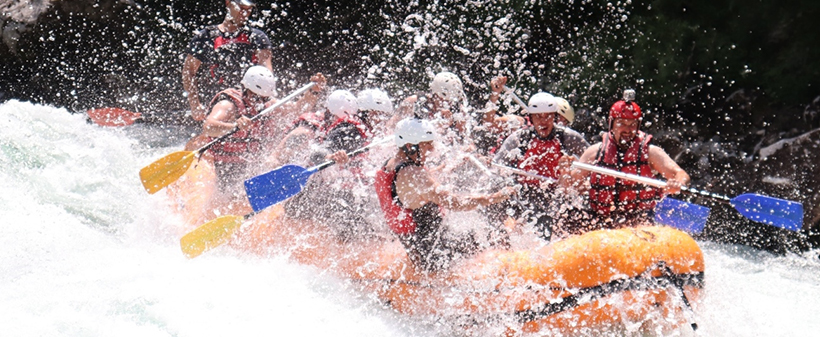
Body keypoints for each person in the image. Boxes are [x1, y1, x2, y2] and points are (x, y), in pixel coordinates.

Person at [374, 118, 516, 272]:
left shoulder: (393, 164)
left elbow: (422, 184)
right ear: (410, 146)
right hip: (436, 257)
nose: (432, 148)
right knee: (489, 238)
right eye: (426, 144)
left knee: (476, 235)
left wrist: (453, 164)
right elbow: (456, 203)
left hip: (419, 249)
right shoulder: (413, 175)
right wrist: (497, 197)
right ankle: (511, 269)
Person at [566, 90, 690, 233]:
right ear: (611, 124)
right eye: (622, 123)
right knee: (568, 219)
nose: (627, 129)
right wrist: (564, 170)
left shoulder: (651, 153)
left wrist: (677, 183)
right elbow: (571, 184)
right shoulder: (595, 152)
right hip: (601, 219)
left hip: (639, 221)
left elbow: (680, 173)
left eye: (632, 124)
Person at [200, 66, 323, 207]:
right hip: (227, 165)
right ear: (245, 89)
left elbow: (298, 109)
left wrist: (313, 91)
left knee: (250, 197)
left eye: (263, 99)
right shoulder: (228, 104)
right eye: (256, 97)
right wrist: (234, 126)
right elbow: (208, 127)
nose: (259, 102)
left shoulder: (267, 105)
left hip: (253, 162)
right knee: (231, 201)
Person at [491, 92, 589, 240]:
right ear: (531, 118)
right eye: (538, 116)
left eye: (548, 116)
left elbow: (592, 159)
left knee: (544, 219)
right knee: (494, 201)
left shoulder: (568, 137)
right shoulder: (519, 138)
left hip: (555, 192)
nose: (543, 121)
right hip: (523, 191)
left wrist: (574, 171)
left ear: (555, 117)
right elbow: (497, 167)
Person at [182, 0, 273, 121]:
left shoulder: (258, 37)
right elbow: (189, 71)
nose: (244, 13)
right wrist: (195, 105)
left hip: (248, 102)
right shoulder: (206, 36)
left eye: (248, 9)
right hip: (218, 102)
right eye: (241, 7)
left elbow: (267, 73)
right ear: (228, 3)